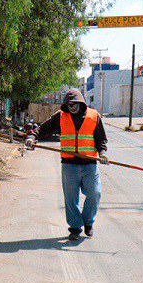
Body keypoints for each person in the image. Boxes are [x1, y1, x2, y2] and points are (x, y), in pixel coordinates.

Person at [34, 89, 108, 240]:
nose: (71, 107)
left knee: (95, 193)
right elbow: (43, 129)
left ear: (81, 102)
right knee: (70, 199)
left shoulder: (94, 116)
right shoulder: (61, 116)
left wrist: (103, 153)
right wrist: (32, 137)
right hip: (69, 165)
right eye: (68, 104)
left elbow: (101, 138)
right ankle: (75, 227)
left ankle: (88, 222)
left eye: (74, 103)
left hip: (89, 164)